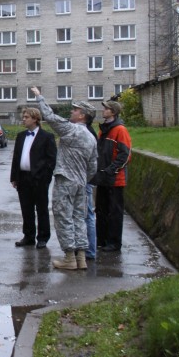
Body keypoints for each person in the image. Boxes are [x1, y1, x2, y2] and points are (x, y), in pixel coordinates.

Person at [30, 89, 97, 271]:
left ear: (83, 115)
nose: (71, 112)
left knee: (63, 218)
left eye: (75, 110)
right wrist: (83, 178)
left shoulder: (72, 130)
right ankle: (81, 257)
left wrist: (39, 96)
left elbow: (50, 117)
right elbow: (93, 166)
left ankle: (69, 257)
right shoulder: (91, 137)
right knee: (79, 219)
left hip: (66, 180)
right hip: (81, 183)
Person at [10, 106, 57, 248]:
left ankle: (42, 237)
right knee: (26, 208)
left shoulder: (47, 137)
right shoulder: (20, 136)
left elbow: (51, 159)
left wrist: (45, 176)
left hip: (39, 178)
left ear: (35, 119)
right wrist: (14, 177)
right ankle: (28, 236)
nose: (23, 119)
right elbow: (16, 158)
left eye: (26, 117)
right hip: (23, 178)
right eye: (23, 117)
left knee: (41, 209)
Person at [96, 99, 132, 252]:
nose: (103, 110)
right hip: (103, 177)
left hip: (115, 179)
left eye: (106, 108)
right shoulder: (103, 130)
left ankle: (114, 242)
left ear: (113, 112)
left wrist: (111, 170)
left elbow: (125, 155)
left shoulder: (120, 130)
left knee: (115, 212)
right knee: (101, 209)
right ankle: (102, 240)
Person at [83, 110, 98, 261]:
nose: (71, 112)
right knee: (85, 215)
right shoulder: (89, 132)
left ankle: (89, 251)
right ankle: (86, 249)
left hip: (85, 181)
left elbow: (92, 162)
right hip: (85, 180)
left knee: (87, 215)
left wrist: (85, 179)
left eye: (75, 110)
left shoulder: (88, 133)